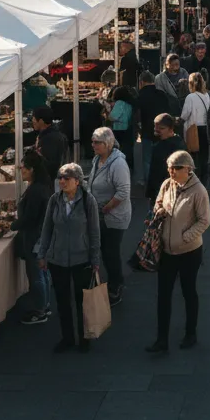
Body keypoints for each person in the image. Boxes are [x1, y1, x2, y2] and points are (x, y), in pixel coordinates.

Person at [146, 150, 210, 354]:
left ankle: (190, 334)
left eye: (175, 168)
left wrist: (185, 237)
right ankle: (161, 339)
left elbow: (204, 220)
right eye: (169, 168)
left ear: (188, 169)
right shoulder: (168, 185)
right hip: (166, 251)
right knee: (163, 295)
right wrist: (159, 211)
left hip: (189, 252)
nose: (171, 172)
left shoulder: (199, 191)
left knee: (188, 292)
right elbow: (157, 203)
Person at [38, 162, 102, 352]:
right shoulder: (54, 200)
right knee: (62, 300)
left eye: (66, 178)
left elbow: (94, 232)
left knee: (82, 300)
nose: (62, 181)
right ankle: (67, 338)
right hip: (57, 258)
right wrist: (42, 254)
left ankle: (84, 338)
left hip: (81, 258)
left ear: (77, 181)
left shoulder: (88, 201)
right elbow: (47, 228)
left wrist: (95, 259)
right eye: (60, 178)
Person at [87, 126, 132, 306]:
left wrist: (105, 208)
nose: (93, 145)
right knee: (105, 250)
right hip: (99, 214)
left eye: (97, 142)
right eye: (92, 141)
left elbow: (123, 192)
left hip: (113, 216)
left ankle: (116, 286)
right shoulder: (97, 159)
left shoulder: (118, 164)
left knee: (110, 252)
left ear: (107, 144)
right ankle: (113, 282)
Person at [14, 149, 53, 324]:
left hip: (34, 237)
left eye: (23, 168)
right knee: (43, 272)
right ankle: (44, 304)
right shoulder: (41, 187)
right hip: (40, 235)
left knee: (36, 273)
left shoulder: (36, 190)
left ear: (32, 170)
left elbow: (30, 218)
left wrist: (14, 225)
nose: (21, 171)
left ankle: (40, 310)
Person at [145, 114, 187, 204]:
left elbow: (157, 173)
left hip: (166, 192)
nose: (157, 130)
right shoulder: (172, 142)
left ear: (171, 129)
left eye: (161, 128)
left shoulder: (174, 146)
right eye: (155, 127)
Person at [181, 73, 210, 179]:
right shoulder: (206, 95)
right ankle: (203, 180)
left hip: (193, 128)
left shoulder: (190, 97)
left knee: (193, 156)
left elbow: (185, 115)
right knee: (204, 157)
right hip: (205, 128)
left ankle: (193, 180)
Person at [136, 72, 165, 184]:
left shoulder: (141, 95)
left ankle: (149, 182)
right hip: (162, 130)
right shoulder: (161, 94)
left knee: (147, 159)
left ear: (141, 82)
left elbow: (138, 113)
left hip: (147, 130)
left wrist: (138, 126)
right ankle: (160, 181)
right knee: (160, 157)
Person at [103, 83, 136, 179]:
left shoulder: (119, 103)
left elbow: (113, 117)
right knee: (128, 151)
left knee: (118, 150)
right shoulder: (130, 104)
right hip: (128, 128)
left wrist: (108, 113)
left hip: (119, 129)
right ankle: (129, 170)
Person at [32, 106, 69, 183]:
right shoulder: (49, 135)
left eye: (34, 118)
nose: (32, 121)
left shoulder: (50, 139)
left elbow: (50, 166)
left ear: (41, 121)